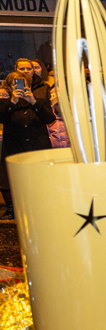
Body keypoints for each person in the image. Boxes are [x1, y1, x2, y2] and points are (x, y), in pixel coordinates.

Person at [0, 67, 56, 219]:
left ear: (29, 85)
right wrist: (13, 101)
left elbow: (50, 119)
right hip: (15, 148)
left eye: (23, 84)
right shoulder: (5, 104)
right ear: (9, 88)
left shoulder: (40, 101)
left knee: (39, 179)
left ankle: (42, 207)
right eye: (14, 84)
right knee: (15, 180)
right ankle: (14, 208)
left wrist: (33, 102)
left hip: (37, 147)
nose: (19, 87)